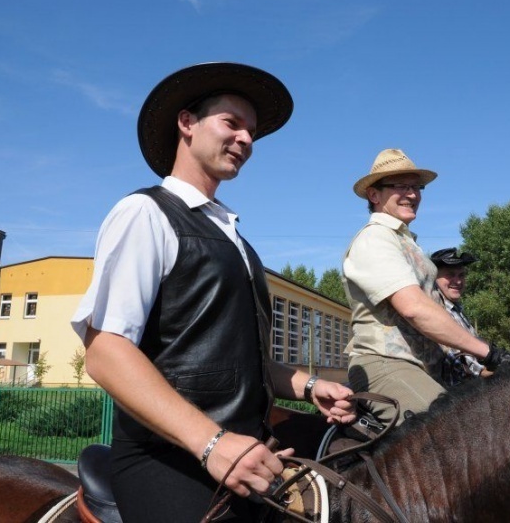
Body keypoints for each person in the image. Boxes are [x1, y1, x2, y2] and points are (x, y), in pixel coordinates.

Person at [71, 62, 355, 523]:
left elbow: (236, 358)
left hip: (245, 452)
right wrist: (212, 443)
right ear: (187, 123)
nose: (246, 139)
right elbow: (105, 350)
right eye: (232, 123)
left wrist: (310, 385)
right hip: (168, 457)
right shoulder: (144, 212)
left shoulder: (237, 241)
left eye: (252, 133)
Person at [341, 148, 508, 426]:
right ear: (374, 195)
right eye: (400, 186)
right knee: (454, 431)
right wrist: (489, 352)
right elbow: (415, 309)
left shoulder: (405, 241)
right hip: (385, 365)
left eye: (417, 187)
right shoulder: (375, 239)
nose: (413, 194)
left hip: (424, 368)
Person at [430, 248, 495, 386]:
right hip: (454, 395)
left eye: (461, 275)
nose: (458, 281)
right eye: (450, 275)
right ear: (434, 278)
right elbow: (475, 370)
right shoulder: (437, 311)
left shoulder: (457, 311)